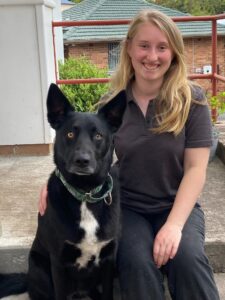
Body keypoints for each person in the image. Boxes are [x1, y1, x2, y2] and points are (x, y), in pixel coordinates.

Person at [39, 9, 220, 300]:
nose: (152, 56)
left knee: (187, 259)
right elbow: (90, 156)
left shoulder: (192, 100)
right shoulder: (112, 104)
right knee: (135, 263)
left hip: (177, 205)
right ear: (129, 49)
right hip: (129, 208)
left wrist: (173, 226)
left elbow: (196, 169)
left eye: (162, 47)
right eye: (144, 45)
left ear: (173, 52)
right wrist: (56, 183)